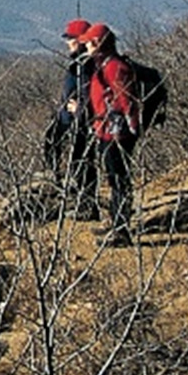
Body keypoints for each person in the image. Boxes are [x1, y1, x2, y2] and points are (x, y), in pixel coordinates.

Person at [82, 23, 146, 244]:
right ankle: (116, 222)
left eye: (89, 43)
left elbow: (128, 101)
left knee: (119, 179)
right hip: (106, 131)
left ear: (98, 44)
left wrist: (130, 129)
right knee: (113, 178)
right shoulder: (103, 65)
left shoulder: (115, 68)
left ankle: (121, 230)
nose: (86, 47)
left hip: (116, 135)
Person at [46, 22, 103, 217]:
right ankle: (80, 199)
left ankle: (86, 205)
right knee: (77, 158)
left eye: (70, 38)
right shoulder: (80, 62)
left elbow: (92, 91)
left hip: (80, 120)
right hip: (72, 119)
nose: (67, 42)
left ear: (80, 40)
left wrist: (81, 109)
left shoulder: (85, 64)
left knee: (82, 160)